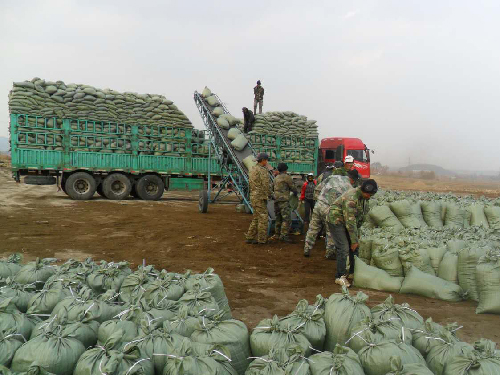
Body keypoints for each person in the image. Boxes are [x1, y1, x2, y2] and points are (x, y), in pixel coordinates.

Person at [327, 179, 378, 287]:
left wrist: (356, 235)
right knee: (344, 247)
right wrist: (353, 240)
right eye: (368, 194)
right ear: (364, 191)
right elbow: (350, 222)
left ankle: (352, 272)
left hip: (348, 221)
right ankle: (339, 276)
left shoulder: (364, 198)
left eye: (371, 195)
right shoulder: (352, 198)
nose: (369, 197)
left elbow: (359, 217)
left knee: (355, 246)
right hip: (336, 220)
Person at [304, 169, 360, 258]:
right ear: (353, 180)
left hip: (319, 205)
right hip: (329, 209)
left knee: (313, 228)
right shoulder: (349, 187)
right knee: (330, 231)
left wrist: (318, 201)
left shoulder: (331, 177)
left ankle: (307, 248)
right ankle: (330, 252)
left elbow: (317, 188)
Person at [245, 153, 271, 244]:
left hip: (253, 196)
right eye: (266, 160)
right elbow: (265, 184)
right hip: (260, 197)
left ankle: (250, 237)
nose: (267, 162)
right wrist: (270, 194)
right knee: (263, 218)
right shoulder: (262, 170)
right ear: (263, 160)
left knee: (256, 217)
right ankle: (262, 240)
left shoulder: (253, 169)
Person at [273, 163, 297, 242]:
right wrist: (295, 193)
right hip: (284, 201)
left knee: (278, 218)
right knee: (286, 219)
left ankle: (277, 234)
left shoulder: (276, 178)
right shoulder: (287, 177)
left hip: (276, 200)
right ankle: (284, 236)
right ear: (285, 170)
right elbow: (293, 188)